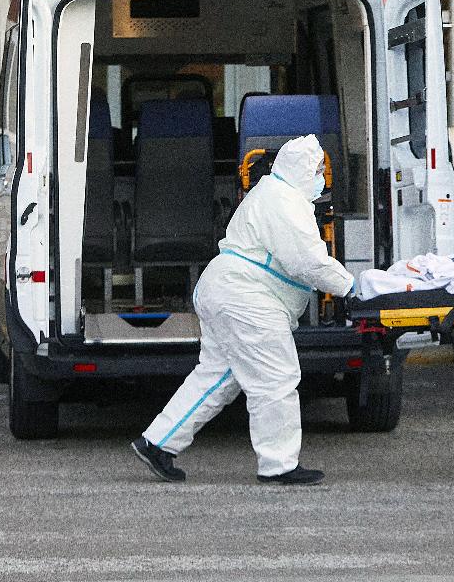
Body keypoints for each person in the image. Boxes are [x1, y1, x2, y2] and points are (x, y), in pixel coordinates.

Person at [133, 134, 353, 485]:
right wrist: (350, 288)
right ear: (299, 171)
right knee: (276, 378)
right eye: (316, 171)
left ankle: (158, 442)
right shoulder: (285, 203)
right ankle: (279, 465)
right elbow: (308, 262)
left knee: (218, 375)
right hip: (247, 298)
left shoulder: (269, 194)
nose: (320, 179)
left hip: (224, 290)